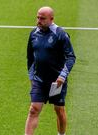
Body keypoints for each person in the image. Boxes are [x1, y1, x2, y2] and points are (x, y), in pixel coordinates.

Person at [24, 6, 76, 135]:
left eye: (42, 18)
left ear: (51, 19)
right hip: (39, 79)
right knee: (33, 109)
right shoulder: (33, 34)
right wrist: (31, 76)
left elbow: (71, 57)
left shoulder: (60, 34)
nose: (39, 20)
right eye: (38, 17)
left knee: (59, 110)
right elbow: (30, 57)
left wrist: (62, 76)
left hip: (56, 81)